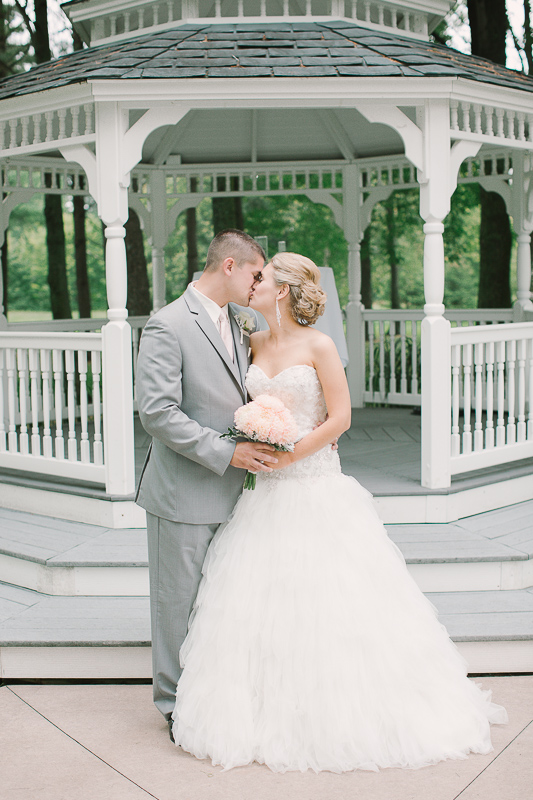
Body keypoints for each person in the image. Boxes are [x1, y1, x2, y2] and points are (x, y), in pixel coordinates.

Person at [170, 252, 508, 774]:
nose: (252, 284)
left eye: (261, 279)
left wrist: (293, 454)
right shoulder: (250, 343)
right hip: (264, 498)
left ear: (280, 290)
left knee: (332, 602)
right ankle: (264, 716)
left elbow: (342, 415)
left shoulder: (319, 345)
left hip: (314, 485)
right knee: (261, 606)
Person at [135, 230, 279, 739]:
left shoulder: (243, 323)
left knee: (219, 600)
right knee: (177, 601)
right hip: (184, 490)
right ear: (230, 267)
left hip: (239, 492)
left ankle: (217, 695)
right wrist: (227, 451)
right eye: (256, 273)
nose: (260, 283)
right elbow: (157, 412)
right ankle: (174, 705)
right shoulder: (167, 324)